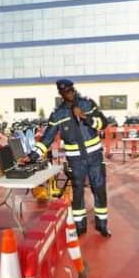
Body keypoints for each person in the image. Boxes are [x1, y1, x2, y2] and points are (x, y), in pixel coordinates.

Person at [31, 79, 109, 237]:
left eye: (71, 90)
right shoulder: (57, 115)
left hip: (94, 156)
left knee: (99, 189)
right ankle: (80, 226)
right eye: (66, 92)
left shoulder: (87, 104)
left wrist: (86, 118)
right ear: (61, 94)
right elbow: (47, 139)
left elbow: (103, 123)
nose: (70, 93)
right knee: (78, 191)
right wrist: (32, 156)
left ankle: (102, 225)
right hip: (75, 160)